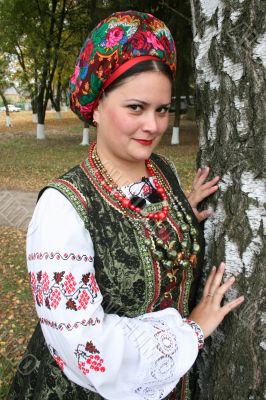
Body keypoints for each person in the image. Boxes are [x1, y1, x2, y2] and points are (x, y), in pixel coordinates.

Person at [8, 10, 244, 400]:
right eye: (136, 107)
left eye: (162, 109)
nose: (153, 125)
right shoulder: (61, 211)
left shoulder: (161, 172)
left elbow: (137, 228)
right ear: (96, 106)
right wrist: (194, 329)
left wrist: (181, 215)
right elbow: (89, 351)